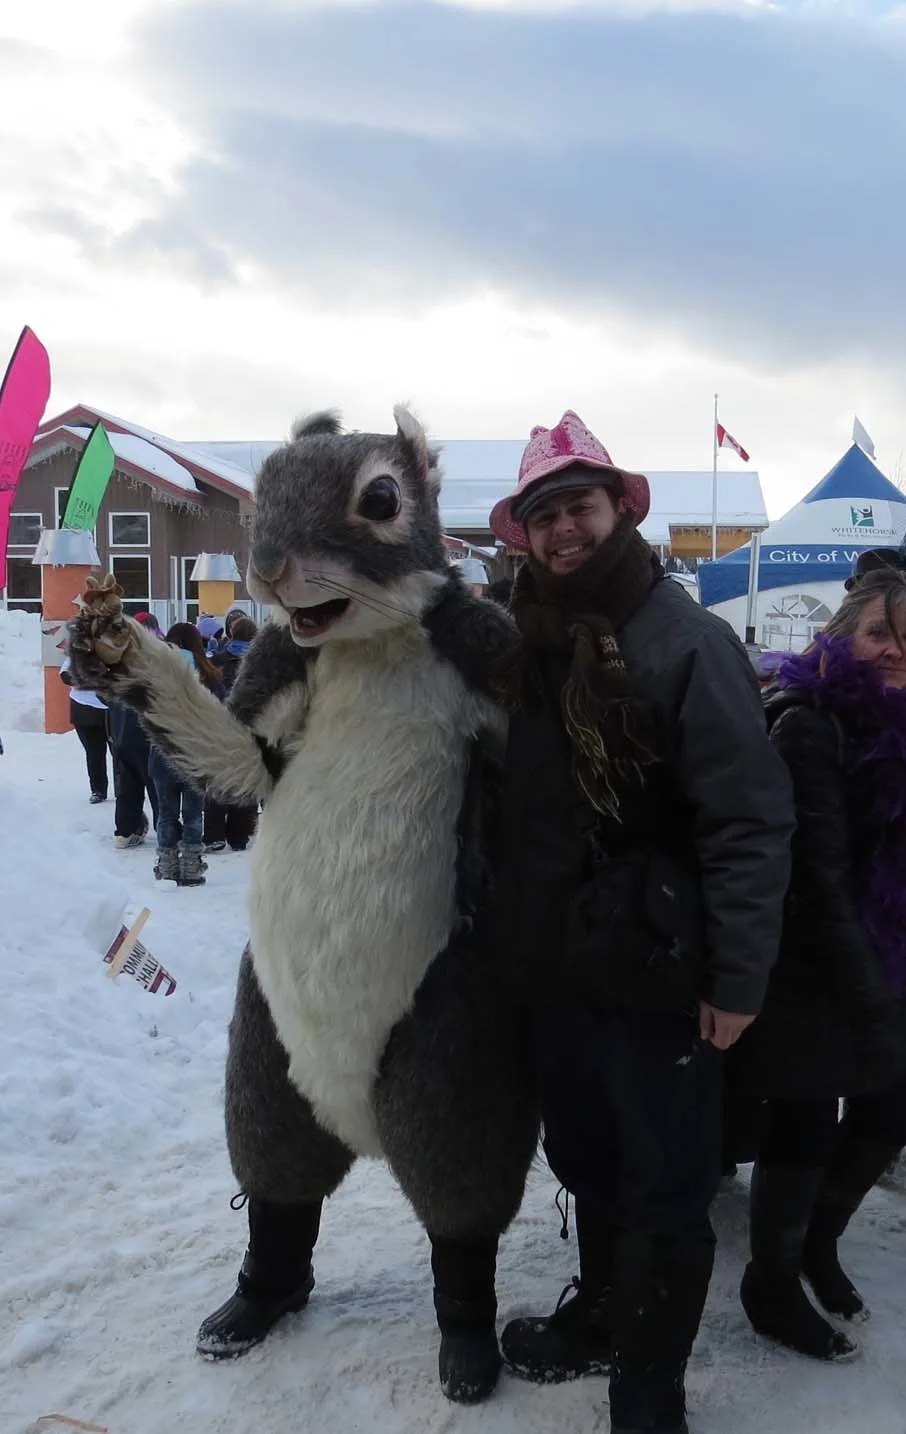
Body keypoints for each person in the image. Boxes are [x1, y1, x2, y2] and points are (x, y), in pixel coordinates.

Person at [429, 412, 794, 1434]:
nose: (561, 531)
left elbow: (750, 822)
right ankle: (603, 1317)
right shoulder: (522, 645)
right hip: (554, 968)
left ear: (620, 509)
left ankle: (649, 1391)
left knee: (667, 1186)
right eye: (542, 516)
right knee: (590, 1161)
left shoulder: (686, 642)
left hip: (663, 975)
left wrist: (738, 981)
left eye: (577, 507)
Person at [731, 568, 906, 1362]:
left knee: (888, 1113)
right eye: (881, 635)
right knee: (804, 1120)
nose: (897, 654)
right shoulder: (807, 723)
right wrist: (868, 992)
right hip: (808, 964)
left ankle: (818, 1243)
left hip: (886, 954)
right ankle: (770, 1285)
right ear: (840, 640)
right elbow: (820, 879)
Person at [149, 624, 225, 885]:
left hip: (162, 753)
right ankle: (192, 867)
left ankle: (168, 866)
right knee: (193, 813)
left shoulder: (157, 677)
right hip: (196, 755)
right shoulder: (210, 676)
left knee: (166, 812)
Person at [204, 615, 259, 853]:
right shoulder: (259, 663)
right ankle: (240, 835)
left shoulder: (217, 660)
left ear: (232, 634)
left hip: (218, 727)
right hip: (250, 730)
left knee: (217, 782)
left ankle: (214, 834)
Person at [107, 611, 162, 848]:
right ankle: (165, 831)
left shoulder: (117, 660)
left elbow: (105, 697)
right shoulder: (159, 657)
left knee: (127, 786)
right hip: (151, 734)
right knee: (158, 785)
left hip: (121, 733)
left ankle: (125, 831)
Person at [60, 657, 110, 803]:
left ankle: (125, 791)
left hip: (113, 710)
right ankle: (98, 790)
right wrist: (90, 680)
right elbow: (65, 675)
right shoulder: (79, 652)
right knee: (94, 752)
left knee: (121, 753)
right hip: (84, 709)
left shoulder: (114, 650)